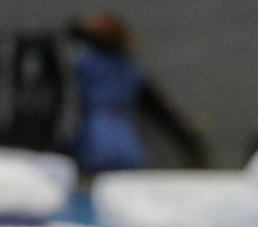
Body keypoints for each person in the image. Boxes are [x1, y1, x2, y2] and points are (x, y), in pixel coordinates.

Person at [70, 13, 209, 174]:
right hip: (118, 139)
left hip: (104, 136)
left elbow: (160, 108)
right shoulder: (98, 64)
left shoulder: (93, 64)